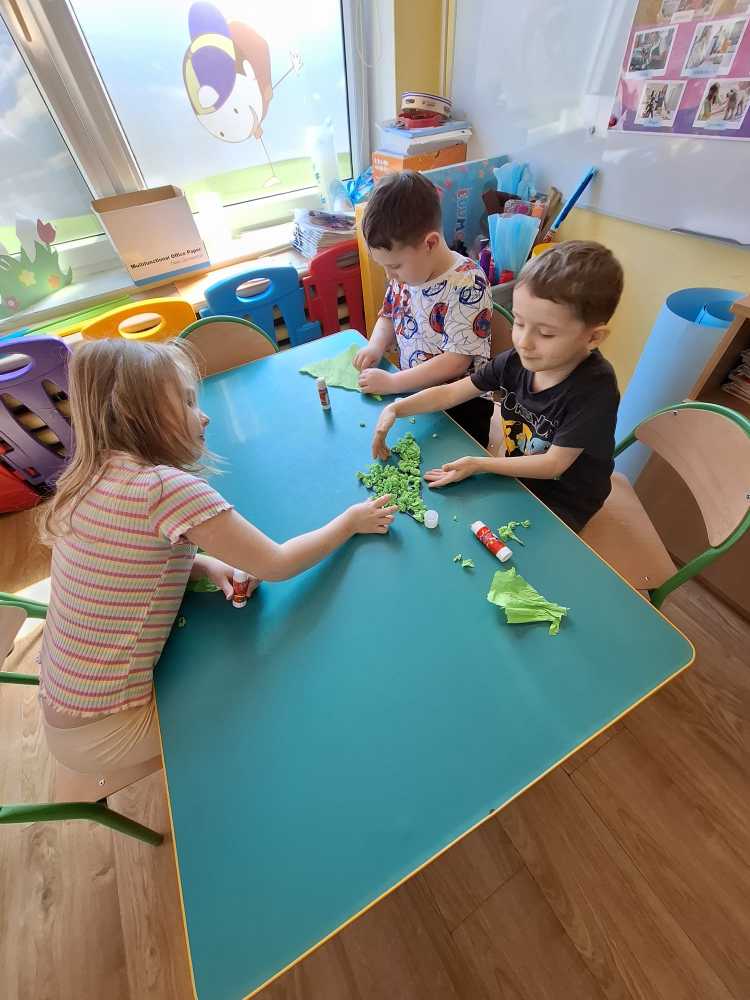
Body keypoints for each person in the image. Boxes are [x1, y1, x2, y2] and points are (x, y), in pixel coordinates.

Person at [38, 339, 397, 774]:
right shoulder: (163, 488)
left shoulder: (94, 471)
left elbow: (122, 565)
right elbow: (278, 563)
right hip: (107, 732)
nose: (204, 416)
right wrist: (350, 522)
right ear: (140, 417)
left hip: (65, 703)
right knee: (273, 704)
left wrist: (204, 565)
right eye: (188, 403)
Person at [370, 241, 624, 534]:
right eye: (519, 323)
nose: (524, 342)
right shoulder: (514, 362)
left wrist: (480, 464)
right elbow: (452, 392)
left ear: (593, 338)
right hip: (519, 474)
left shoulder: (596, 389)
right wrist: (396, 408)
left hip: (565, 498)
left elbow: (554, 464)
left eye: (545, 333)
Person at [353, 170, 494, 447]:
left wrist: (394, 383)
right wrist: (375, 346)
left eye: (394, 266)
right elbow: (390, 315)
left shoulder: (467, 283)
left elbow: (456, 361)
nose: (390, 275)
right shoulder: (407, 275)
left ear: (430, 243)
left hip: (461, 409)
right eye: (384, 267)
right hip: (414, 394)